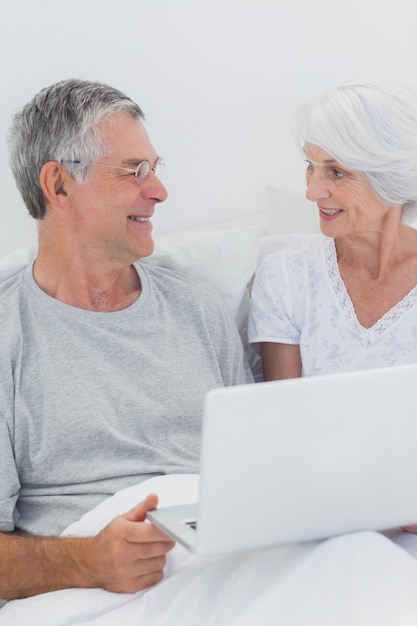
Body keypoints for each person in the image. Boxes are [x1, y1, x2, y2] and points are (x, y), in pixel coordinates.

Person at [0, 78, 252, 603]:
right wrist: (87, 560)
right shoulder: (9, 334)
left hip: (230, 556)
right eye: (134, 172)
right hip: (104, 583)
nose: (159, 190)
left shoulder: (199, 309)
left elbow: (258, 476)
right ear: (60, 185)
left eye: (155, 170)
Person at [248, 77, 417, 381]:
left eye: (336, 172)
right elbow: (281, 412)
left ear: (392, 179)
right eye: (310, 165)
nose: (312, 192)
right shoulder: (286, 278)